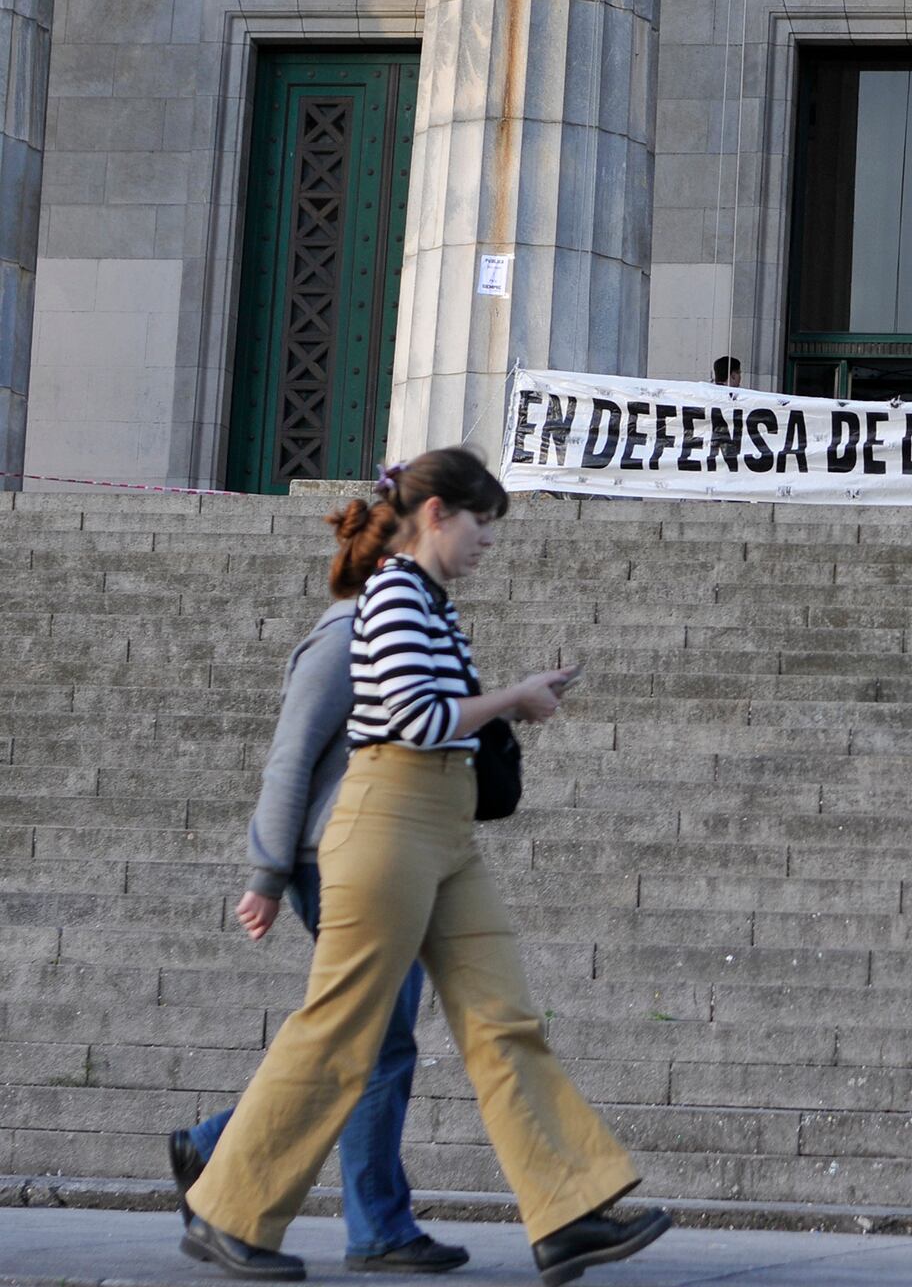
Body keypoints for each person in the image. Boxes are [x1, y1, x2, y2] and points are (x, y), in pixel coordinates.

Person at [179, 448, 669, 1287]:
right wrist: (514, 696)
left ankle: (569, 1214)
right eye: (481, 523)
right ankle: (230, 1209)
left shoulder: (434, 605)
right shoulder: (396, 592)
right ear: (437, 513)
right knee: (341, 1028)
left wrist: (521, 697)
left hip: (442, 825)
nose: (487, 542)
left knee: (502, 1019)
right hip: (387, 821)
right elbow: (415, 716)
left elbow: (441, 713)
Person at [166, 499, 466, 1273]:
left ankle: (218, 1147)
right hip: (333, 864)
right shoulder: (343, 639)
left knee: (366, 1042)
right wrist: (266, 873)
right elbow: (290, 758)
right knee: (372, 1046)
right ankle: (374, 1227)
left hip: (378, 859)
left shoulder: (394, 638)